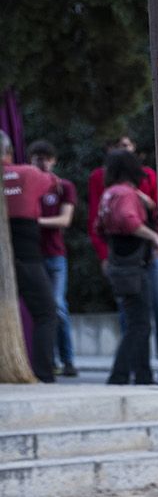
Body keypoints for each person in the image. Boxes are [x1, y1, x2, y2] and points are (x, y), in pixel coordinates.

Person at [89, 135, 158, 377]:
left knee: (135, 321)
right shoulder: (126, 193)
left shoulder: (110, 192)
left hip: (119, 260)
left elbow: (99, 225)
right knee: (140, 323)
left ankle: (142, 374)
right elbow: (129, 221)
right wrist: (154, 237)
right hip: (134, 262)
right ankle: (120, 375)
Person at [3, 130, 60, 382]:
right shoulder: (29, 174)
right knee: (46, 312)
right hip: (27, 254)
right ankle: (44, 374)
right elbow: (54, 183)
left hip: (6, 253)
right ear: (9, 152)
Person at [29, 140, 78, 377]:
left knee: (58, 306)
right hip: (33, 256)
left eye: (47, 158)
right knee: (41, 308)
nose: (43, 162)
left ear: (54, 160)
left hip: (55, 255)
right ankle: (51, 360)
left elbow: (65, 220)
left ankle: (67, 359)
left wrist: (34, 222)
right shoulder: (29, 187)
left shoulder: (63, 186)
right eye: (38, 158)